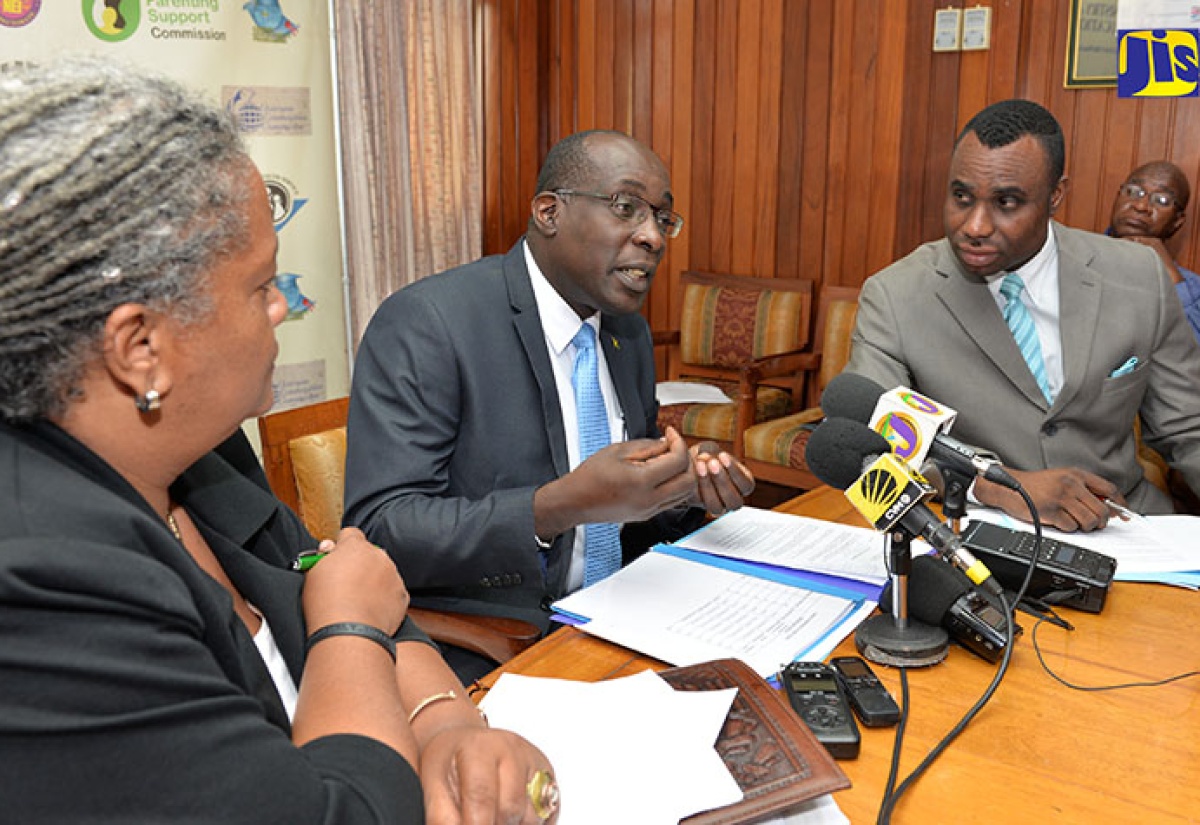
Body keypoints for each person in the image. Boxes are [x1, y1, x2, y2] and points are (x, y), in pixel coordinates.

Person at [0, 57, 557, 824]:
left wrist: (448, 724)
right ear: (141, 348)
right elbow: (351, 616)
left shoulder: (196, 446)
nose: (280, 311)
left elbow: (353, 586)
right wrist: (348, 628)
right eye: (261, 286)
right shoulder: (42, 586)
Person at [345, 130, 755, 675]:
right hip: (494, 641)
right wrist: (557, 506)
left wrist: (682, 491)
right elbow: (381, 528)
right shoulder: (431, 324)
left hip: (628, 616)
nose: (652, 237)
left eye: (662, 218)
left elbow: (620, 516)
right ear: (548, 212)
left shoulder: (627, 336)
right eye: (626, 207)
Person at [844, 99, 1200, 532]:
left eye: (1006, 202)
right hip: (976, 533)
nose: (974, 225)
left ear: (1055, 196)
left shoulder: (1139, 276)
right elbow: (869, 453)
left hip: (1125, 525)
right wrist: (997, 487)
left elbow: (1189, 429)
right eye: (961, 196)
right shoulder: (894, 296)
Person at [1107, 160, 1200, 344]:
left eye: (1161, 200)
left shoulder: (1193, 292)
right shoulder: (1073, 257)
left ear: (1177, 222)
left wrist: (1171, 280)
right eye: (1133, 192)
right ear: (1118, 196)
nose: (1141, 206)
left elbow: (1191, 361)